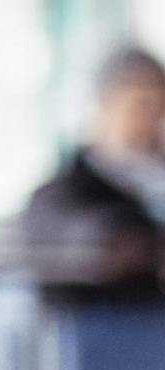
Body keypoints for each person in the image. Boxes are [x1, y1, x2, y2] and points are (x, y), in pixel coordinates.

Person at [19, 43, 165, 298]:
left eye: (159, 107)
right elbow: (92, 244)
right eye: (140, 105)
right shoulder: (59, 198)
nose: (151, 120)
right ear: (105, 105)